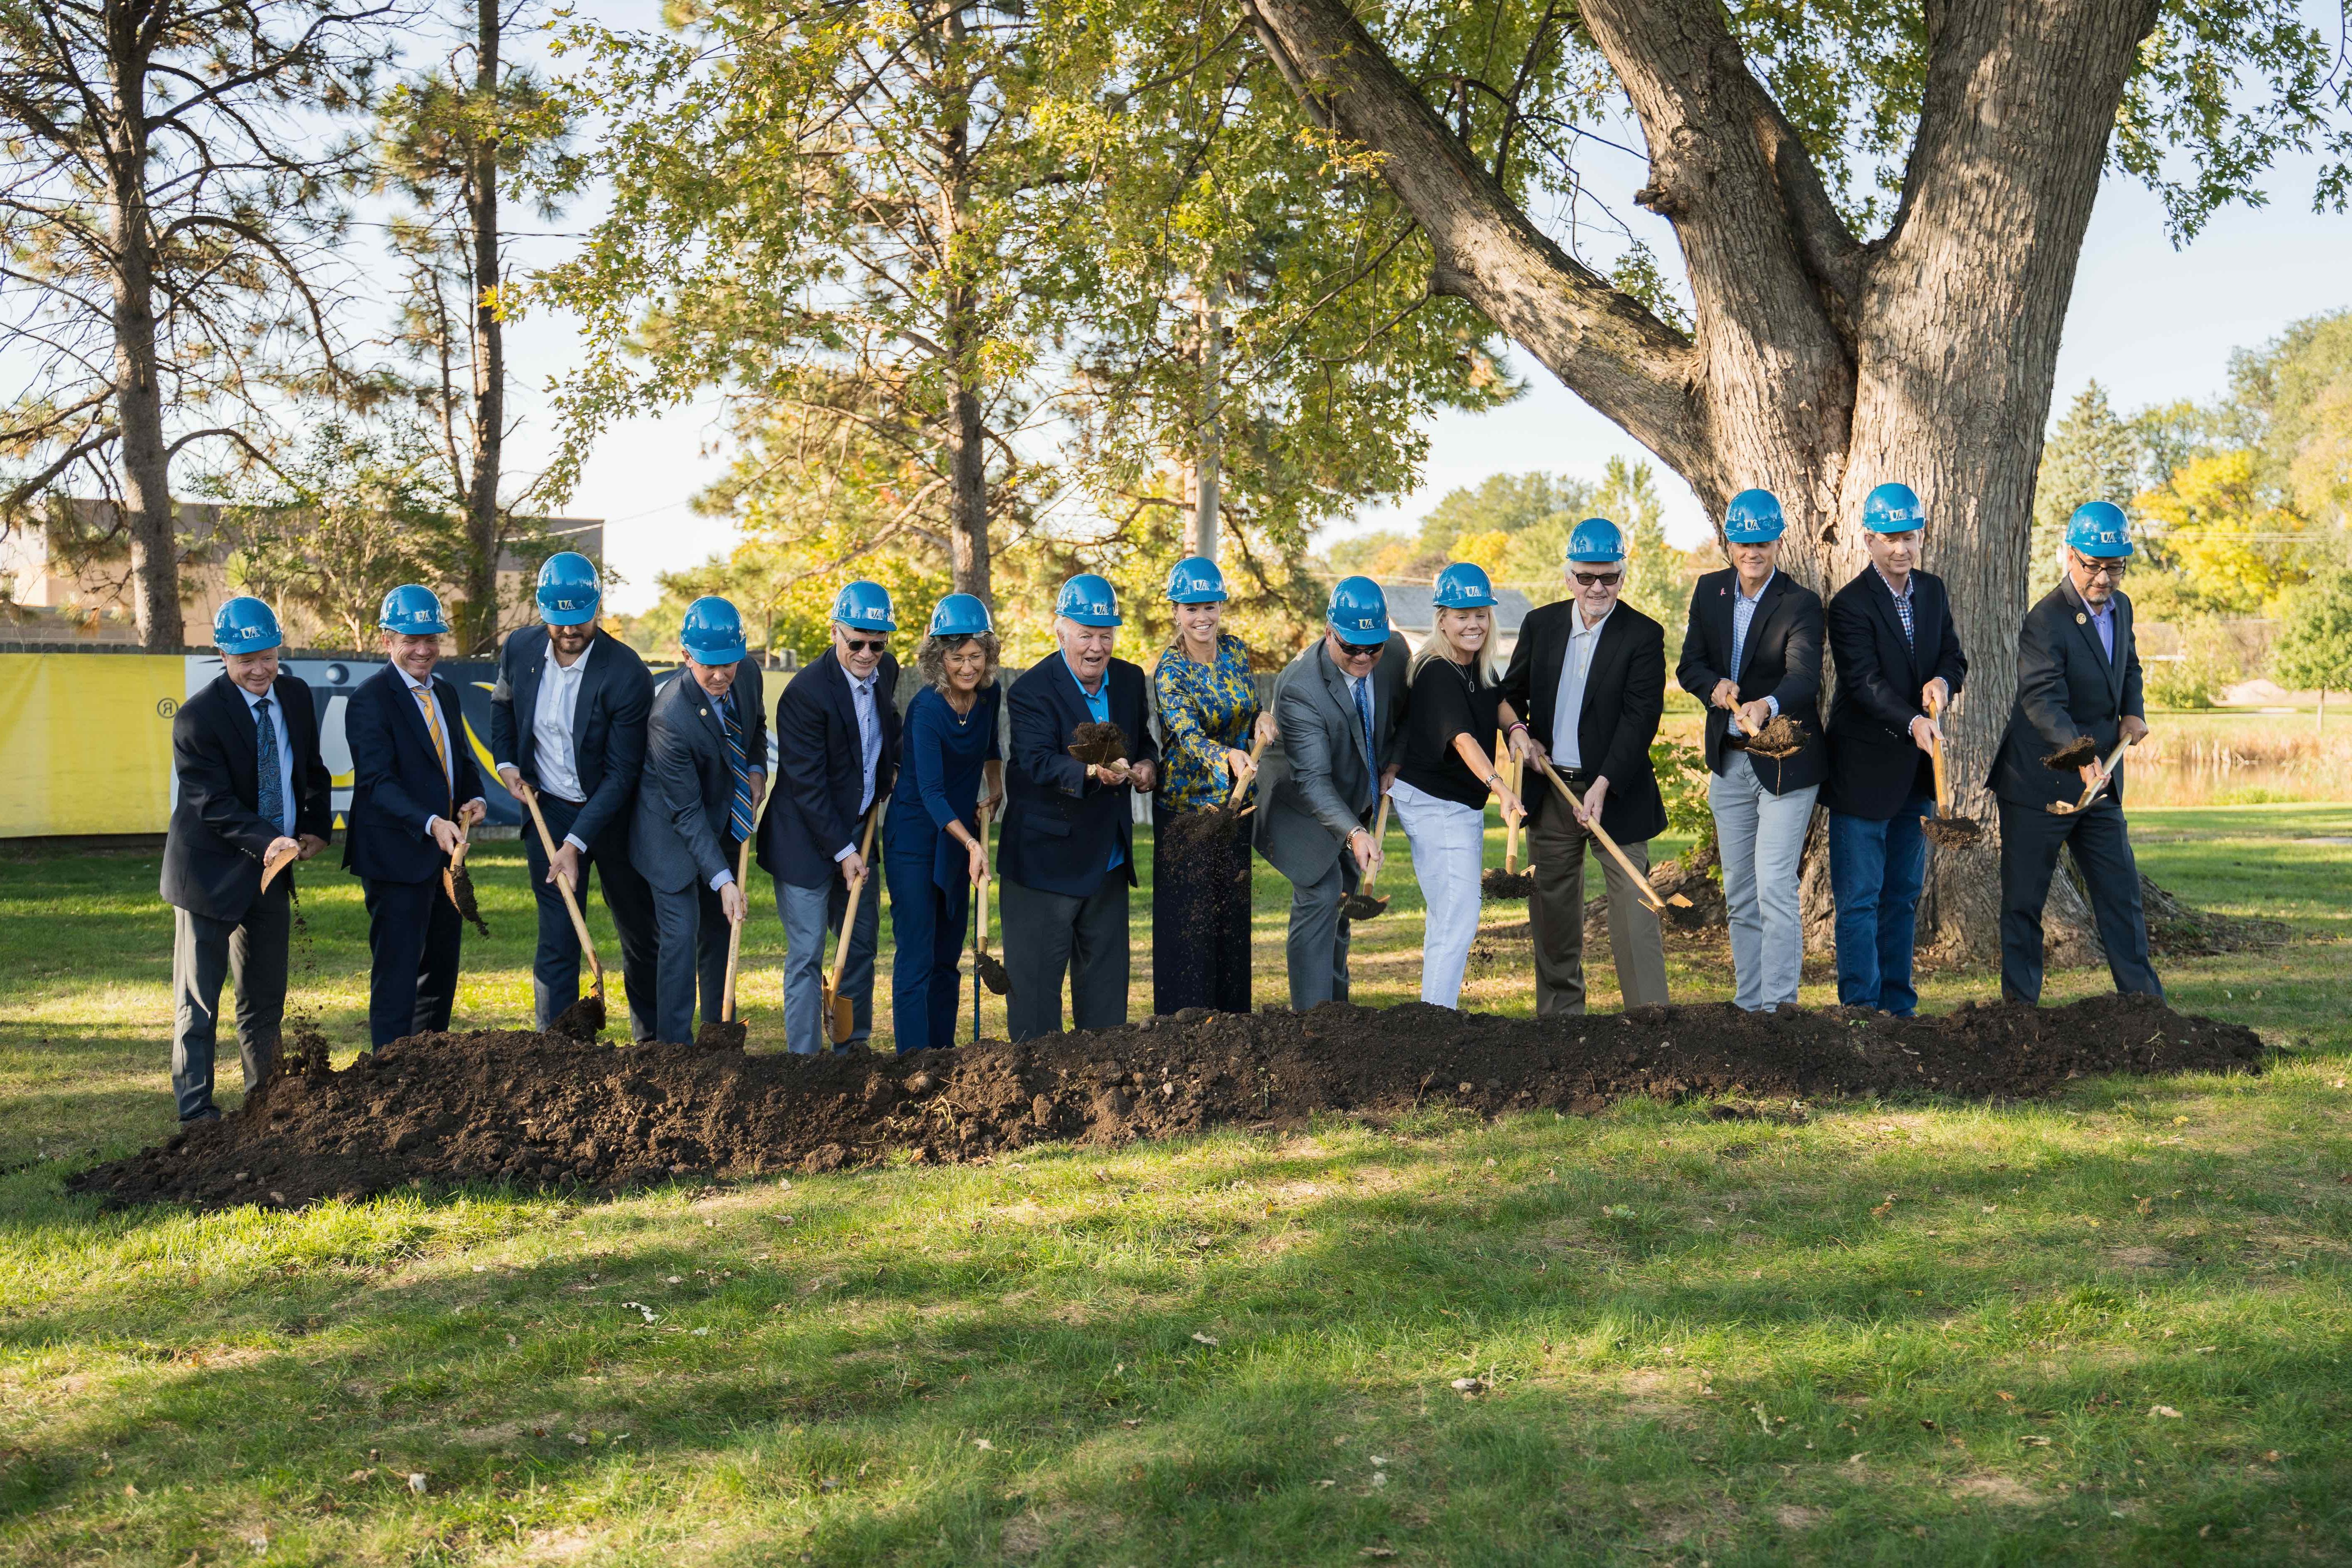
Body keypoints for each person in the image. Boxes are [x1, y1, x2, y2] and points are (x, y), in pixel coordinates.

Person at [160, 597, 332, 1120]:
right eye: (245, 659)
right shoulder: (198, 718)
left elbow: (313, 770)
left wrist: (315, 827)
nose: (259, 670)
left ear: (279, 648)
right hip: (209, 874)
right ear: (222, 654)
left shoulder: (297, 696)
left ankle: (266, 1102)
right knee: (199, 1003)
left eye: (267, 656)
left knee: (264, 999)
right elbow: (211, 803)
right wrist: (269, 841)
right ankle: (196, 1112)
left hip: (271, 875)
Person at [1989, 501, 2162, 1005]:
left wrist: (2132, 711)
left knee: (2121, 895)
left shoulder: (2123, 606)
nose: (2104, 578)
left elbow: (2129, 667)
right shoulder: (2045, 621)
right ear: (2070, 555)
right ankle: (2020, 1015)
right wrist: (2080, 753)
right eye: (2093, 565)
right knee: (2023, 903)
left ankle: (2146, 1008)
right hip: (2039, 783)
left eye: (2114, 566)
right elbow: (2041, 700)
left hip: (2099, 785)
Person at [1498, 519, 1673, 1014]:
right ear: (1568, 575)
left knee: (1633, 913)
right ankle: (1561, 1027)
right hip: (1550, 790)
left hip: (1615, 792)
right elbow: (1509, 696)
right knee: (1552, 912)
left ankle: (1650, 1021)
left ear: (1623, 574)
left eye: (1609, 578)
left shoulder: (1643, 634)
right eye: (1586, 577)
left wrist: (1603, 783)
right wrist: (1519, 734)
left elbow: (1641, 719)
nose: (1597, 588)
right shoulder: (1541, 625)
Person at [490, 551, 661, 1039]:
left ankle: (651, 1044)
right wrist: (507, 764)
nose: (569, 630)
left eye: (579, 619)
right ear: (542, 610)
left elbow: (622, 773)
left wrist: (576, 843)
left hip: (615, 815)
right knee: (558, 936)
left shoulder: (626, 672)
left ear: (597, 607)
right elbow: (502, 707)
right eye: (558, 620)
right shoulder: (519, 650)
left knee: (639, 935)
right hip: (550, 812)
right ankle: (558, 1050)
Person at [1676, 489, 1828, 1012]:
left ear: (1778, 541)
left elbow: (1805, 677)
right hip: (1729, 763)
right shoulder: (1709, 591)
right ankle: (1749, 1007)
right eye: (1742, 543)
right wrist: (1713, 689)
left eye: (1761, 543)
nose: (1751, 553)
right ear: (1729, 542)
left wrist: (1766, 704)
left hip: (1785, 763)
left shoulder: (1801, 603)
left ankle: (1780, 1011)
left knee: (1773, 888)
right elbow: (1689, 664)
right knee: (1740, 893)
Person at [1823, 484, 1969, 1016]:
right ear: (1869, 540)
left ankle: (1898, 1008)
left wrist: (1942, 683)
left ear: (1920, 536)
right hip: (1862, 772)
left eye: (1908, 536)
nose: (1900, 549)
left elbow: (1954, 656)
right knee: (1859, 900)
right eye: (1889, 539)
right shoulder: (1849, 605)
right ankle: (1860, 1011)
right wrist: (1911, 719)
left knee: (1903, 895)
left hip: (1916, 777)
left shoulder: (1932, 591)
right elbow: (1863, 684)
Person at [998, 573, 1158, 1040]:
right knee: (1034, 1000)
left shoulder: (1128, 680)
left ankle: (1106, 1086)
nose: (1096, 647)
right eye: (1085, 635)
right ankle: (1034, 1090)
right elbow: (1036, 761)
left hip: (1107, 860)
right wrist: (1092, 773)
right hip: (1044, 863)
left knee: (1106, 997)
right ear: (1060, 631)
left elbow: (1143, 739)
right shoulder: (1031, 691)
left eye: (1105, 636)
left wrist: (1148, 765)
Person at [1254, 576, 1409, 1011]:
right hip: (1299, 803)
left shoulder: (1394, 654)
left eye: (1371, 647)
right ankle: (1311, 1021)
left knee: (1342, 906)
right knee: (1320, 895)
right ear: (1328, 633)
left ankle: (1336, 1015)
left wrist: (1393, 762)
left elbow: (1405, 716)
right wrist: (1355, 832)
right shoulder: (1301, 687)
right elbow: (1314, 781)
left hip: (1352, 798)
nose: (1363, 657)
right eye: (1351, 647)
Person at [759, 581, 902, 1054]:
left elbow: (889, 731)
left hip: (859, 831)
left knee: (860, 943)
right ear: (835, 632)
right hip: (804, 840)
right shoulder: (805, 695)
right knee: (806, 954)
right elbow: (807, 785)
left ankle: (852, 1044)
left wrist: (892, 767)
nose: (866, 653)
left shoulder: (887, 672)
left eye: (876, 644)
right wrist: (842, 852)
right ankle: (803, 1060)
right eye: (856, 641)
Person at [343, 585, 487, 1047]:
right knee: (398, 972)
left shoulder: (444, 693)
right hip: (395, 856)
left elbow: (458, 760)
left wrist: (474, 797)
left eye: (432, 639)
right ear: (387, 641)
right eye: (411, 639)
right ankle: (388, 1073)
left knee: (440, 970)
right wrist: (430, 822)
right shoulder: (370, 700)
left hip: (446, 859)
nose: (423, 650)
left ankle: (431, 1065)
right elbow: (376, 783)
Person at [1389, 563, 1525, 1008]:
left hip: (1454, 804)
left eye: (1481, 614)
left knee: (1450, 914)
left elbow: (1497, 698)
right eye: (1462, 615)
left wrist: (1517, 729)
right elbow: (1462, 738)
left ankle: (1434, 1013)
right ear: (1441, 619)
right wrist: (1500, 787)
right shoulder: (1436, 670)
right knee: (1458, 916)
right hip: (1433, 804)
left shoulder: (1476, 665)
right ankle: (1435, 1019)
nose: (1473, 624)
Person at [632, 596, 766, 1044]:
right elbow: (685, 813)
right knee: (681, 934)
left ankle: (715, 1038)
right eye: (708, 664)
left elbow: (756, 729)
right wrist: (723, 880)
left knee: (718, 930)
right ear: (685, 655)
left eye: (729, 663)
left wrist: (756, 769)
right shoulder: (669, 717)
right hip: (669, 833)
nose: (720, 675)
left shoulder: (747, 676)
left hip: (721, 817)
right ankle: (674, 1049)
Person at [1150, 555, 1275, 1015]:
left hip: (1235, 809)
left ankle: (1231, 1023)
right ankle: (1185, 1026)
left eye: (1209, 607)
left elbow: (1250, 710)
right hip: (1186, 815)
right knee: (1189, 927)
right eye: (1191, 609)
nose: (1201, 618)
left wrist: (1262, 720)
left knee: (1230, 921)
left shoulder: (1237, 650)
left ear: (1221, 606)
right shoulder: (1170, 671)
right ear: (1176, 612)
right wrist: (1226, 756)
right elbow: (1186, 737)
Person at [884, 593, 1003, 1052]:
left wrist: (996, 784)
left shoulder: (989, 695)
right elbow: (931, 792)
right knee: (917, 957)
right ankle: (913, 1065)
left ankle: (944, 1058)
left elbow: (991, 745)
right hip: (915, 838)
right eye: (957, 658)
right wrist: (973, 845)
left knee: (947, 959)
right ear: (940, 658)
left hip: (958, 839)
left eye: (976, 656)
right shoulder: (926, 710)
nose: (968, 667)